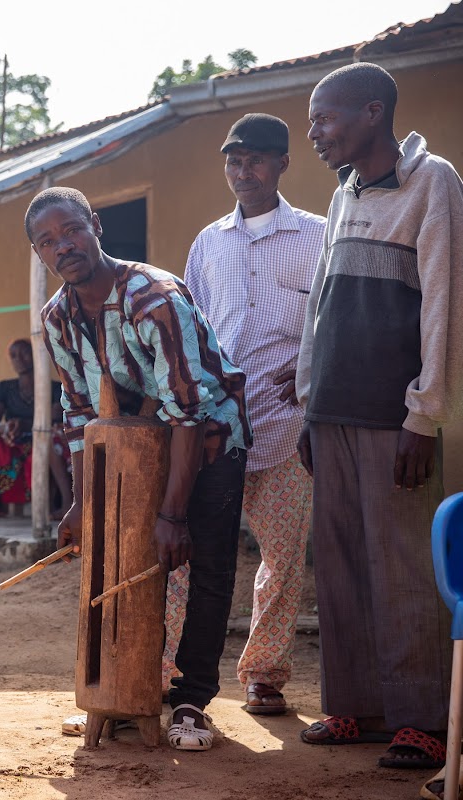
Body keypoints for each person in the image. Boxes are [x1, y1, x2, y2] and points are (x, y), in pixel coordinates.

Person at [29, 186, 250, 751]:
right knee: (121, 560)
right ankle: (128, 692)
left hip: (207, 442)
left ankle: (193, 701)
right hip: (135, 452)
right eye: (47, 242)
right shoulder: (57, 319)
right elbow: (79, 418)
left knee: (204, 566)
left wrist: (173, 514)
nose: (63, 247)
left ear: (96, 226)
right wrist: (83, 504)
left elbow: (187, 411)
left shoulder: (154, 297)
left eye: (71, 231)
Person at [296, 62, 462, 783]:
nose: (315, 135)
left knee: (403, 568)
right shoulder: (342, 192)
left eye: (325, 119)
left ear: (371, 113)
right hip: (331, 408)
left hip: (393, 417)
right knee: (339, 565)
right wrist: (308, 399)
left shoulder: (435, 183)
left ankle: (421, 720)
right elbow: (320, 307)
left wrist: (424, 415)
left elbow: (444, 305)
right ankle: (354, 706)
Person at [174, 113, 325, 715]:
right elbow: (190, 328)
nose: (244, 171)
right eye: (234, 160)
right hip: (216, 430)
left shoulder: (317, 236)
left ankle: (263, 672)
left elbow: (331, 321)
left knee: (283, 559)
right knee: (187, 556)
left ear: (284, 163)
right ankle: (168, 669)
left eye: (256, 159)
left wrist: (313, 373)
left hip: (287, 426)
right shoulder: (208, 243)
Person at [0, 338, 70, 519]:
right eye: (13, 355)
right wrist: (6, 427)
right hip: (13, 442)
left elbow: (55, 417)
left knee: (50, 440)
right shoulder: (5, 387)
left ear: (35, 355)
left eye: (24, 353)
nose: (18, 359)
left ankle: (61, 504)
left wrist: (26, 424)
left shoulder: (54, 388)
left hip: (41, 440)